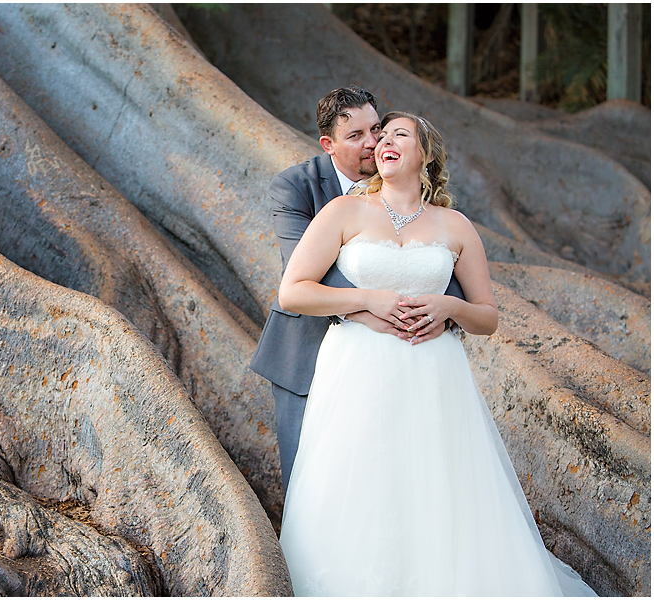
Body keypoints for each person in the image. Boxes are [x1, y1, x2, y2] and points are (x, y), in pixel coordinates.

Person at [276, 111, 597, 596]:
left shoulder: (455, 225)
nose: (382, 141)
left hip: (434, 373)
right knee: (357, 479)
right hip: (357, 369)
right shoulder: (343, 212)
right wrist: (367, 299)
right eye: (379, 136)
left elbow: (487, 317)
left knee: (434, 483)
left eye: (397, 134)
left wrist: (450, 305)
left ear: (424, 154)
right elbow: (293, 292)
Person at [249, 86, 464, 492]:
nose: (372, 143)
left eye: (376, 129)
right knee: (311, 485)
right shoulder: (296, 187)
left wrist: (444, 312)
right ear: (328, 145)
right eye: (355, 136)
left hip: (402, 359)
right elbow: (311, 270)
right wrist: (371, 308)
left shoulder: (413, 192)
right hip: (306, 353)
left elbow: (436, 261)